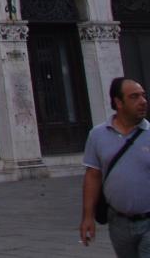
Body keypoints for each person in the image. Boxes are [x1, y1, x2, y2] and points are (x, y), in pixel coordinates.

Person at [80, 76, 150, 254]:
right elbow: (93, 176)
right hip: (118, 222)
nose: (143, 101)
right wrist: (88, 216)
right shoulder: (97, 135)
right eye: (134, 97)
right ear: (118, 102)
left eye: (143, 95)